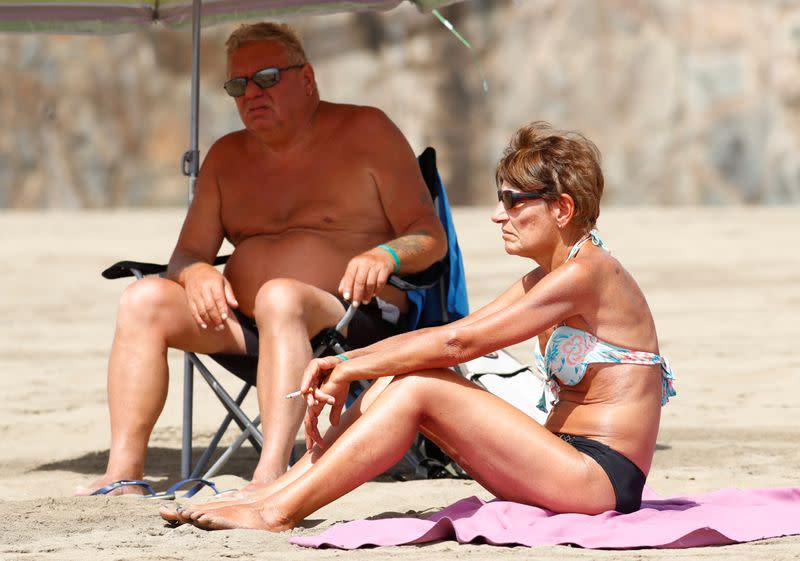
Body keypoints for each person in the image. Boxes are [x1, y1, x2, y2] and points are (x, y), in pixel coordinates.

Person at [159, 121, 677, 530]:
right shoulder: (550, 275)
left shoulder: (588, 275)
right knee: (396, 380)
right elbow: (460, 331)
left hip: (599, 479)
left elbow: (458, 342)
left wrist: (344, 364)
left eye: (514, 201)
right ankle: (272, 492)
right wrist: (351, 364)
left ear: (562, 208)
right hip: (561, 462)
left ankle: (277, 513)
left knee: (419, 388)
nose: (499, 215)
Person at [77, 22, 447, 496]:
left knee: (280, 296)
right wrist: (196, 274)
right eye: (238, 84)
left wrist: (387, 252)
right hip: (248, 326)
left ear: (307, 79)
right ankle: (123, 473)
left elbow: (428, 236)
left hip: (353, 320)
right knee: (143, 298)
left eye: (268, 77)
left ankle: (272, 473)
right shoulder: (227, 157)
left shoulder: (367, 131)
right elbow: (188, 254)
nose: (251, 92)